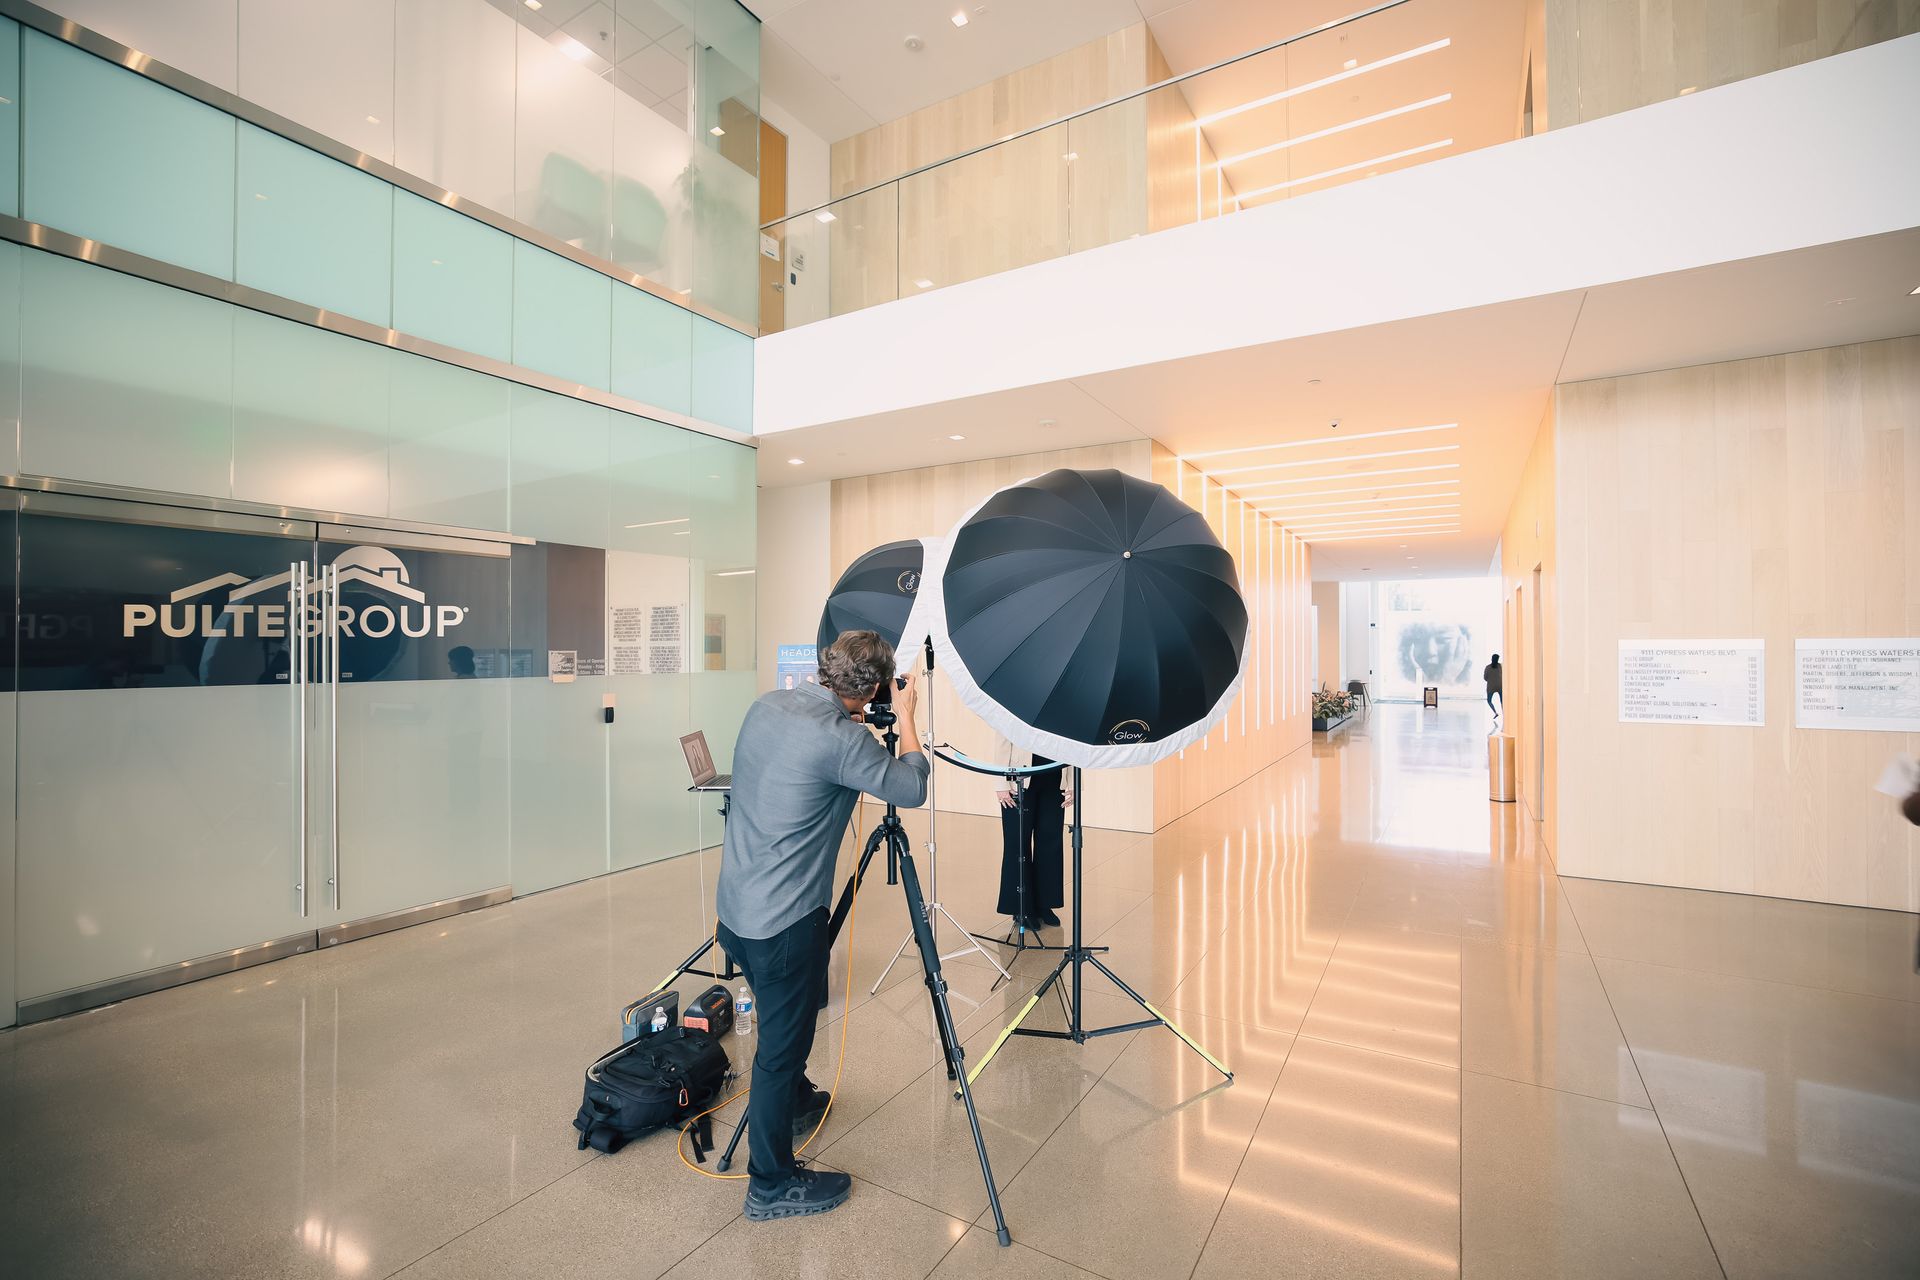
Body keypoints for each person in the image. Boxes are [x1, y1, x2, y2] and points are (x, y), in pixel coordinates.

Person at [714, 629, 928, 1222]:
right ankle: (770, 1184)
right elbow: (911, 785)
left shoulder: (769, 704)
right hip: (782, 923)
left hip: (735, 910)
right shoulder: (841, 740)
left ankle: (795, 1101)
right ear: (875, 689)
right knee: (779, 1049)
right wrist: (907, 717)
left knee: (794, 1015)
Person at [994, 736, 1070, 930]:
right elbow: (1002, 740)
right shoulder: (1014, 703)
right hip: (1018, 779)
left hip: (1055, 777)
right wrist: (1001, 783)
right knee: (1017, 843)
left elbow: (1075, 742)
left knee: (1050, 842)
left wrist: (1074, 781)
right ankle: (1021, 908)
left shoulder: (1068, 705)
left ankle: (1044, 904)